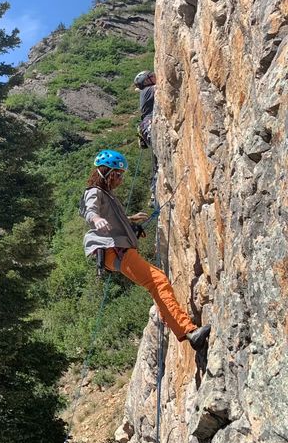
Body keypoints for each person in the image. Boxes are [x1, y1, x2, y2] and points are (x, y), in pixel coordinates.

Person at [80, 149, 211, 350]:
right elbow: (90, 211)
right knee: (158, 281)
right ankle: (188, 331)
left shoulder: (108, 195)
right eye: (118, 174)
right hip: (114, 251)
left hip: (118, 251)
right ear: (106, 172)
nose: (120, 179)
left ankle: (179, 325)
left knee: (157, 279)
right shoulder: (94, 192)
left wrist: (130, 220)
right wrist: (96, 219)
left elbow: (113, 219)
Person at [134, 71, 158, 203]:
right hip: (149, 123)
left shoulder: (145, 90)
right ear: (147, 80)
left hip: (146, 125)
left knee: (157, 159)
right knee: (158, 154)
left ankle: (154, 191)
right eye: (152, 75)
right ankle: (154, 189)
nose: (155, 76)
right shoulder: (148, 90)